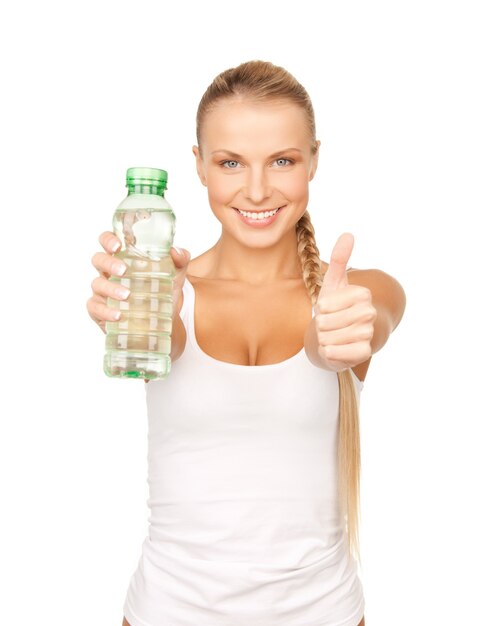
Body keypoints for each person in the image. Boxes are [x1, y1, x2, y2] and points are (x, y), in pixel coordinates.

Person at [87, 60, 406, 626]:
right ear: (200, 168)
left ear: (313, 161)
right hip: (167, 611)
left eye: (282, 160)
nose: (257, 189)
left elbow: (356, 324)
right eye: (230, 162)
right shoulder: (168, 293)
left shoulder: (349, 293)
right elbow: (168, 337)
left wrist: (350, 333)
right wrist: (136, 311)